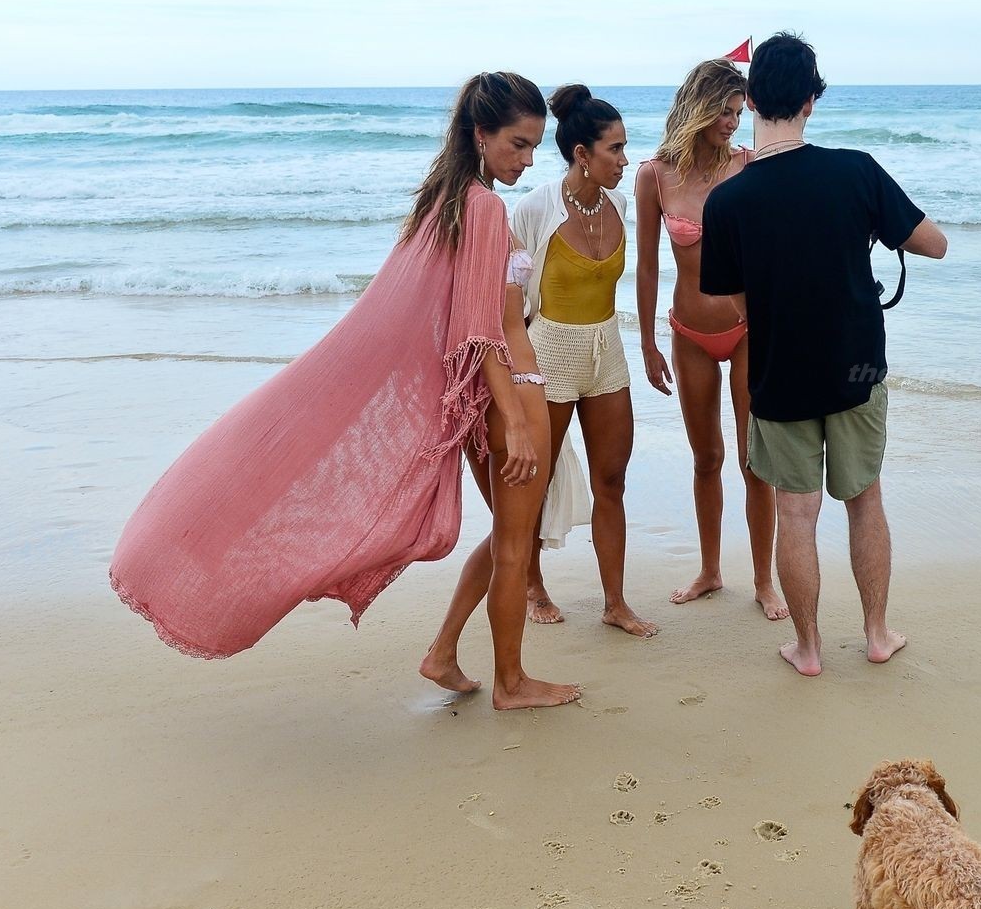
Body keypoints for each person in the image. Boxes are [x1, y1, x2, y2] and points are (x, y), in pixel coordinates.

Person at [113, 71, 578, 710]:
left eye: (534, 147)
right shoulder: (484, 207)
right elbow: (479, 332)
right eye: (517, 144)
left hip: (483, 399)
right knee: (516, 543)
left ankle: (444, 653)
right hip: (513, 390)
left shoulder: (443, 203)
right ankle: (511, 683)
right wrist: (519, 421)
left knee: (508, 536)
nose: (526, 160)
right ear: (480, 134)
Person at [698, 33, 948, 677]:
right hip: (855, 368)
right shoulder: (856, 171)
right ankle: (876, 635)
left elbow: (731, 300)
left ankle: (807, 648)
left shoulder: (727, 200)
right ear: (812, 100)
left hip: (779, 372)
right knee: (864, 500)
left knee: (795, 511)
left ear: (752, 100)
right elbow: (935, 244)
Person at [636, 59, 786, 621]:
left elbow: (774, 251)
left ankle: (765, 580)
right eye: (724, 111)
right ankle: (710, 570)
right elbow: (647, 266)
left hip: (748, 331)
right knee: (707, 458)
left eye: (738, 112)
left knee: (754, 460)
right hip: (688, 332)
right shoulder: (655, 176)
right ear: (698, 108)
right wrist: (648, 343)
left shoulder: (749, 166)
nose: (733, 121)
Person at [507, 85, 658, 639]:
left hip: (606, 352)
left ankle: (615, 602)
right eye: (615, 149)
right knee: (536, 480)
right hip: (549, 353)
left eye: (625, 148)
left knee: (611, 479)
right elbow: (512, 300)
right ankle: (532, 585)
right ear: (582, 155)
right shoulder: (535, 209)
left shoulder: (619, 205)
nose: (625, 160)